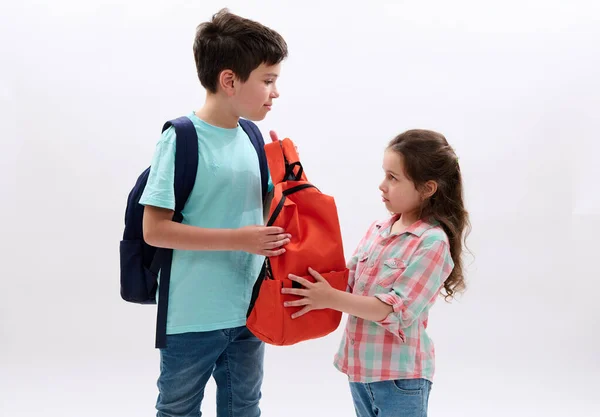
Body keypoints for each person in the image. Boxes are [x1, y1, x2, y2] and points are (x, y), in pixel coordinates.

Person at [139, 9, 290, 417]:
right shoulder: (181, 138)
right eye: (268, 80)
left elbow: (265, 212)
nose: (274, 92)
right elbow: (155, 230)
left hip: (248, 309)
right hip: (191, 316)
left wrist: (290, 182)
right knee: (178, 409)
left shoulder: (252, 135)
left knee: (244, 408)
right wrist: (240, 239)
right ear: (229, 80)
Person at [282, 129, 471, 417]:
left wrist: (328, 298)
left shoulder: (431, 242)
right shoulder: (379, 230)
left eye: (393, 178)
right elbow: (347, 281)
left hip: (399, 378)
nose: (382, 185)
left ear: (427, 188)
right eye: (385, 174)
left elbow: (393, 310)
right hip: (361, 371)